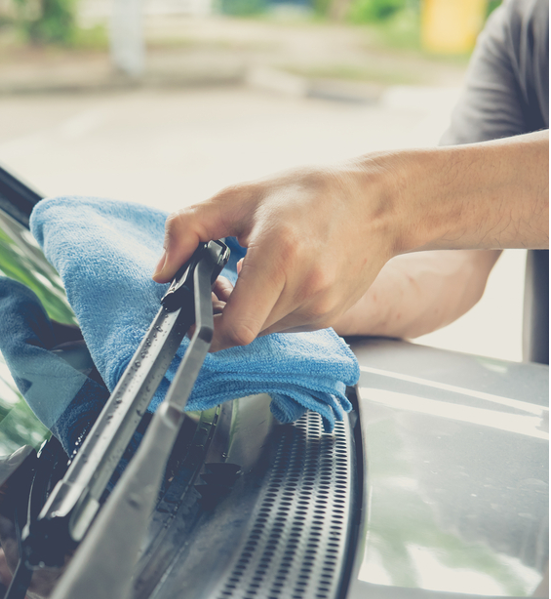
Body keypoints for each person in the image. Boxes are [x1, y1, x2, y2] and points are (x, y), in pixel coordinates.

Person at [153, 0, 549, 363]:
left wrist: (382, 203)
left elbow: (406, 214)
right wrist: (300, 287)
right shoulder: (524, 29)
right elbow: (454, 261)